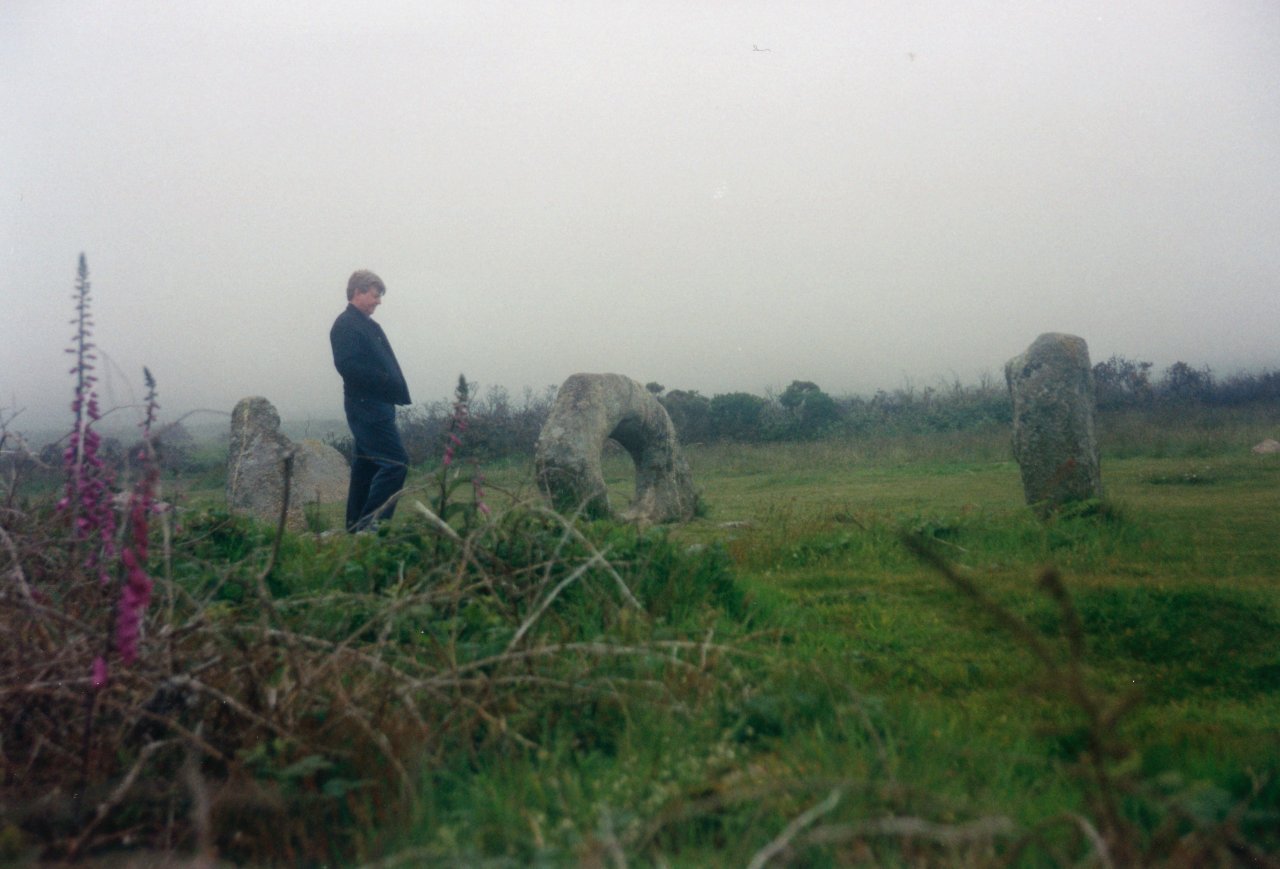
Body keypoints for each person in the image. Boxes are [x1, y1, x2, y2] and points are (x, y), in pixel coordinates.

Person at [330, 270, 412, 532]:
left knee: (365, 466)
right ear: (358, 292)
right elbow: (348, 367)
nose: (378, 301)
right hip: (367, 406)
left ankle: (354, 528)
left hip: (375, 405)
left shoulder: (364, 324)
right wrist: (386, 380)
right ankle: (372, 526)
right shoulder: (346, 325)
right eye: (375, 295)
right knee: (396, 462)